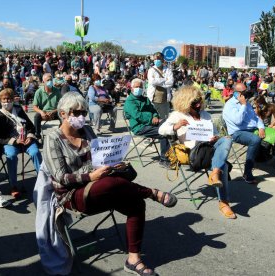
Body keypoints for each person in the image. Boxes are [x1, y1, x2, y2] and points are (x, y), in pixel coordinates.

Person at [43, 92, 177, 276]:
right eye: (76, 113)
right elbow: (60, 177)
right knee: (109, 184)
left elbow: (100, 159)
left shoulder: (88, 131)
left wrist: (114, 163)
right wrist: (90, 176)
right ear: (63, 114)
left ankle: (133, 260)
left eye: (84, 112)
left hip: (103, 185)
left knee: (136, 204)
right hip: (73, 195)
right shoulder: (52, 138)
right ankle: (150, 192)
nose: (81, 117)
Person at [158, 86, 236, 219]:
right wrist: (175, 127)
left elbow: (215, 134)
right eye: (195, 102)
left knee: (227, 139)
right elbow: (161, 130)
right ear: (186, 102)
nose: (199, 104)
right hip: (194, 152)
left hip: (210, 148)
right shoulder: (177, 115)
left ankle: (215, 173)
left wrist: (215, 137)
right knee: (224, 165)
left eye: (199, 101)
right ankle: (223, 202)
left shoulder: (206, 115)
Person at [223, 83, 275, 183]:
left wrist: (261, 127)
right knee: (255, 140)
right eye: (244, 92)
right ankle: (247, 172)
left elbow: (256, 118)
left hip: (254, 129)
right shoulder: (230, 105)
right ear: (237, 93)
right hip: (238, 132)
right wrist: (243, 105)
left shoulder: (247, 103)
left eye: (246, 91)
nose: (246, 94)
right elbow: (238, 121)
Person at [0, 88, 42, 198]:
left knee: (35, 152)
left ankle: (43, 181)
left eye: (9, 99)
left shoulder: (18, 109)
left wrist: (29, 136)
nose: (7, 101)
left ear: (13, 99)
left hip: (25, 140)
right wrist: (15, 141)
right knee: (11, 155)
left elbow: (30, 127)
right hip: (10, 143)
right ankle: (13, 185)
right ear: (0, 100)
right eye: (4, 99)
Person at [124, 78, 171, 168]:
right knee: (164, 134)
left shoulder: (145, 99)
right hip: (139, 127)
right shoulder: (130, 102)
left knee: (168, 125)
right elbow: (138, 115)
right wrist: (151, 118)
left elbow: (153, 110)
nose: (139, 88)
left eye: (140, 87)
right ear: (132, 88)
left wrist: (155, 116)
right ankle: (164, 159)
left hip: (150, 123)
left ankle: (171, 152)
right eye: (136, 87)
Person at [32, 73, 62, 140]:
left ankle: (63, 134)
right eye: (48, 80)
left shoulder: (57, 91)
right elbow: (34, 106)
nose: (50, 82)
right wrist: (41, 112)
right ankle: (37, 136)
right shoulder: (39, 92)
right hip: (44, 113)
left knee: (63, 115)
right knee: (36, 116)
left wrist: (54, 111)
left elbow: (61, 105)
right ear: (43, 82)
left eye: (51, 80)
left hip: (55, 112)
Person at [147, 52, 174, 119]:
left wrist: (159, 82)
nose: (156, 60)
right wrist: (164, 79)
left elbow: (171, 82)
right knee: (153, 118)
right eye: (155, 59)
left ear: (162, 59)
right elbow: (152, 81)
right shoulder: (151, 70)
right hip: (153, 99)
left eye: (158, 59)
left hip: (164, 100)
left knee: (164, 119)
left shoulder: (168, 70)